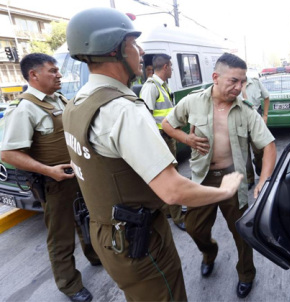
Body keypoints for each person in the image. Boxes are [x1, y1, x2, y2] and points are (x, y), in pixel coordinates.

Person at [63, 8, 243, 302]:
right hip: (138, 240)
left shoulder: (76, 104)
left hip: (105, 234)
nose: (141, 51)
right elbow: (173, 191)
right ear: (116, 49)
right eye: (134, 44)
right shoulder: (122, 109)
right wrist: (224, 191)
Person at [162, 53, 277, 299]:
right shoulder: (192, 103)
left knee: (242, 233)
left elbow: (268, 145)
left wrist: (264, 180)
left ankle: (246, 274)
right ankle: (209, 252)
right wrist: (187, 138)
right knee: (194, 228)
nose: (239, 87)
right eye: (234, 81)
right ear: (215, 77)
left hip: (234, 179)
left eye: (242, 82)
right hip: (202, 178)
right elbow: (167, 124)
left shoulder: (245, 111)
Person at [1, 53, 100, 302]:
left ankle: (95, 256)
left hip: (77, 177)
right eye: (53, 71)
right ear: (34, 75)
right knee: (61, 236)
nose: (59, 75)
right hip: (54, 184)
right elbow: (9, 153)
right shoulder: (24, 109)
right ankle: (69, 284)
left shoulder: (58, 99)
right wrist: (49, 171)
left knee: (86, 220)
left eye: (58, 71)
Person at [140, 54, 186, 231]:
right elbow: (145, 118)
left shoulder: (161, 86)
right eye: (172, 66)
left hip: (167, 137)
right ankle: (177, 217)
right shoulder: (151, 88)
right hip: (161, 139)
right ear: (165, 66)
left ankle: (168, 209)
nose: (173, 69)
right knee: (171, 177)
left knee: (169, 174)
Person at [240, 76, 270, 189]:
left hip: (255, 121)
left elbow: (266, 97)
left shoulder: (255, 83)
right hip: (239, 122)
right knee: (244, 153)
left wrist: (265, 116)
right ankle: (249, 179)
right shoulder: (233, 84)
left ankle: (258, 165)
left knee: (259, 150)